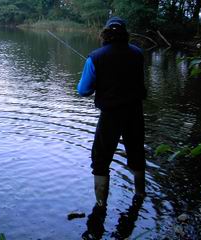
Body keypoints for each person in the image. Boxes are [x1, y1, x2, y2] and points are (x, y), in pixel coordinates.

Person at [77, 17, 147, 208]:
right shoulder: (138, 54)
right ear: (125, 34)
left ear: (106, 33)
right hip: (135, 114)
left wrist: (97, 83)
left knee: (100, 160)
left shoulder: (95, 57)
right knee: (137, 154)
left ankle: (101, 206)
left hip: (110, 116)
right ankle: (140, 194)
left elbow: (83, 91)